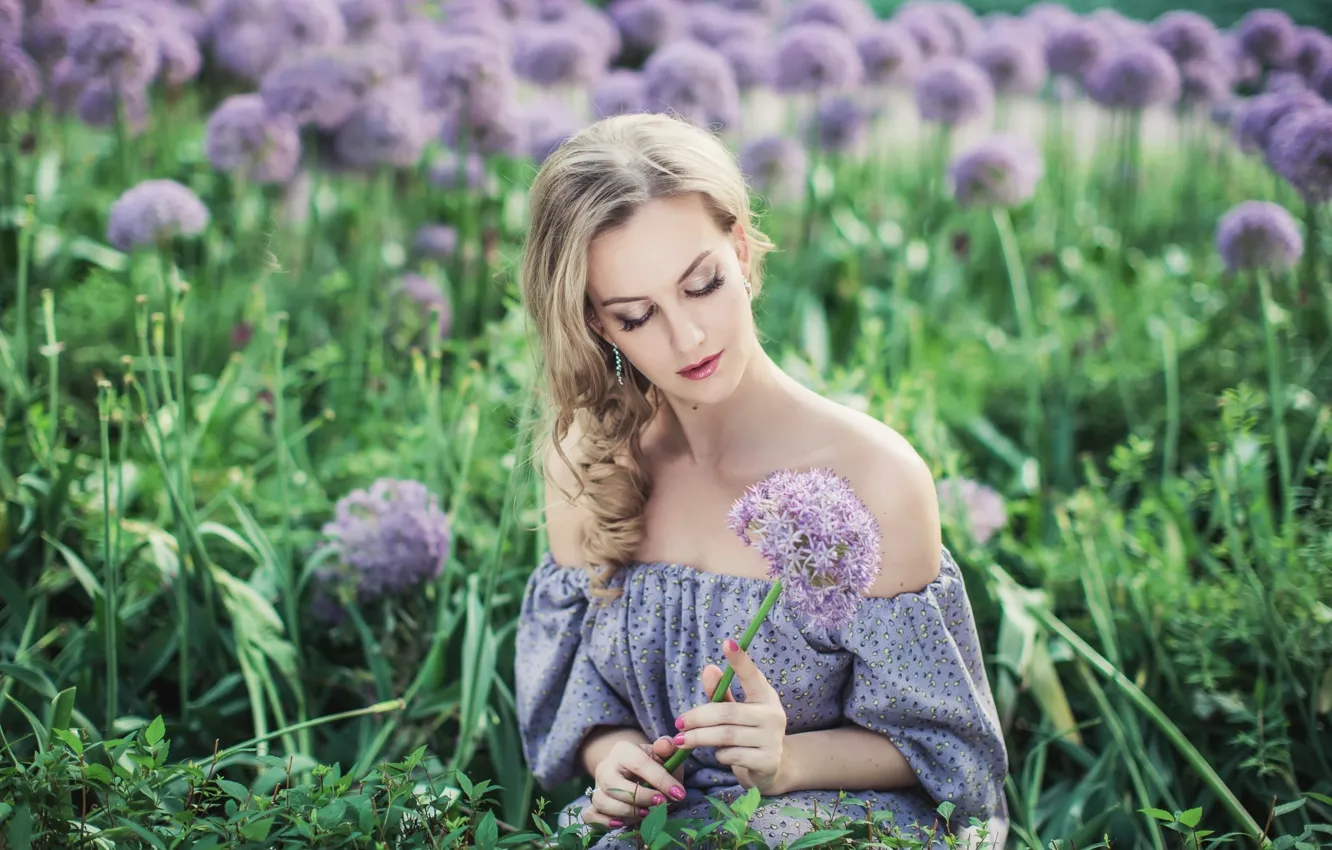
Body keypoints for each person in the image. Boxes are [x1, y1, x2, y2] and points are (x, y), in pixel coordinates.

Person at [514, 112, 1010, 850]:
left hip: (834, 824)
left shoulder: (872, 479)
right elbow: (583, 706)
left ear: (741, 252)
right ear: (597, 327)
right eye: (637, 314)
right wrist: (612, 757)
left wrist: (787, 759)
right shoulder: (586, 467)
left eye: (703, 284)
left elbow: (948, 753)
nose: (688, 338)